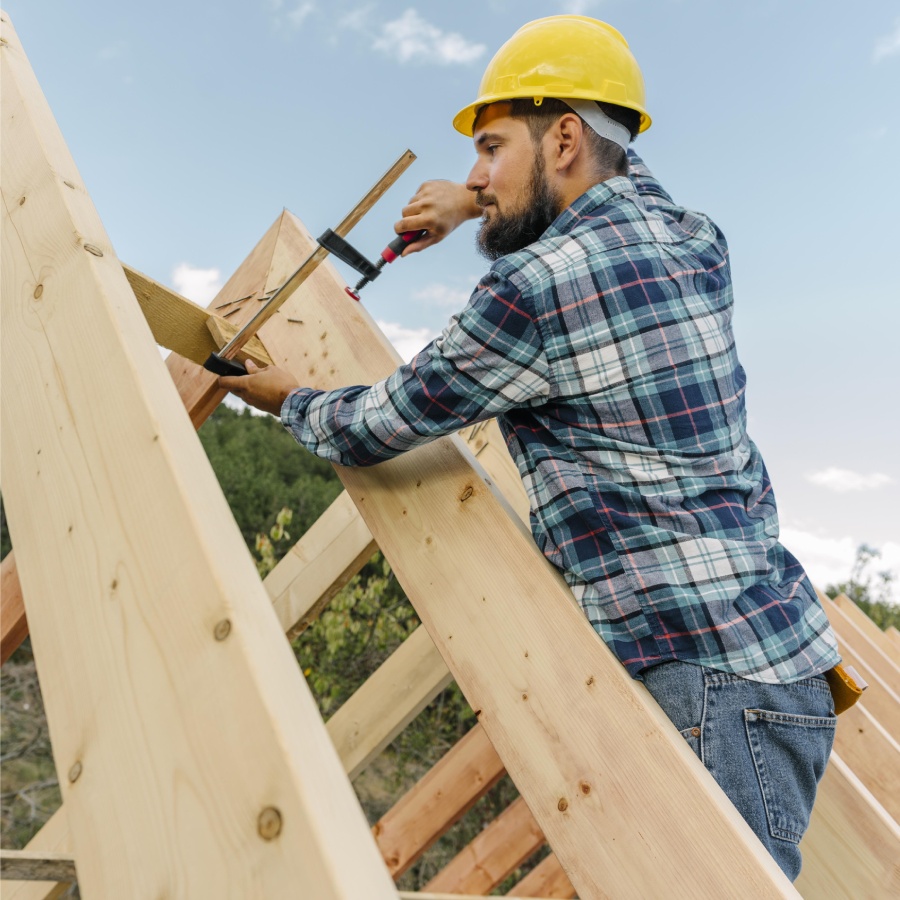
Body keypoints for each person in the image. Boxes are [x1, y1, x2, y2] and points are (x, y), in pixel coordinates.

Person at [219, 15, 840, 880]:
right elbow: (618, 184)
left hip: (702, 687)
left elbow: (378, 424)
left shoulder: (533, 286)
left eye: (490, 149)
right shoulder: (696, 239)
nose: (476, 173)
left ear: (564, 138)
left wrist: (288, 396)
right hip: (781, 667)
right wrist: (482, 197)